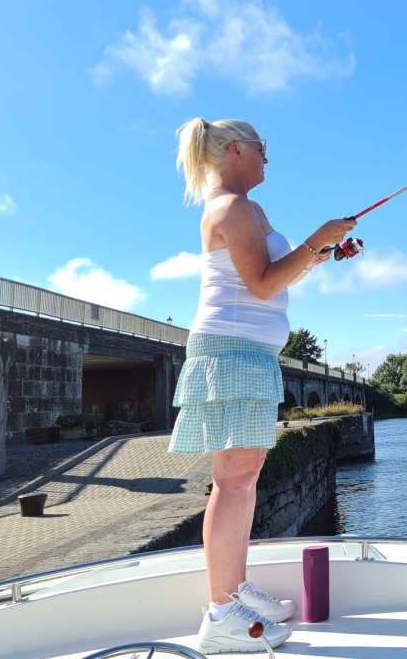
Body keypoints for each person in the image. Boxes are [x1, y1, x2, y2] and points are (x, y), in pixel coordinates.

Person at [169, 117, 355, 654]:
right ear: (234, 151)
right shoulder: (232, 208)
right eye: (262, 148)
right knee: (234, 478)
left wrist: (316, 256)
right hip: (231, 351)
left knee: (243, 477)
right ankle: (223, 613)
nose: (268, 157)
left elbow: (276, 277)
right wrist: (317, 238)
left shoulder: (250, 209)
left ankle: (234, 591)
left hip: (248, 351)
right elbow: (263, 283)